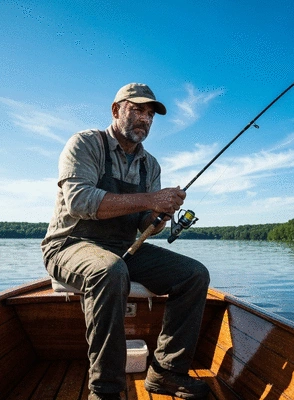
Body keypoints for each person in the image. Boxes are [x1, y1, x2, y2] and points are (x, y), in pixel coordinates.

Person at [41, 83, 211, 400]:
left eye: (150, 114)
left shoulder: (151, 165)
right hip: (69, 243)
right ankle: (105, 391)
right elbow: (80, 201)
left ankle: (167, 374)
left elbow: (143, 222)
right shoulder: (85, 144)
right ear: (116, 109)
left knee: (194, 274)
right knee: (110, 271)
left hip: (122, 248)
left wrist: (156, 217)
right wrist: (150, 198)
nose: (145, 119)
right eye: (138, 109)